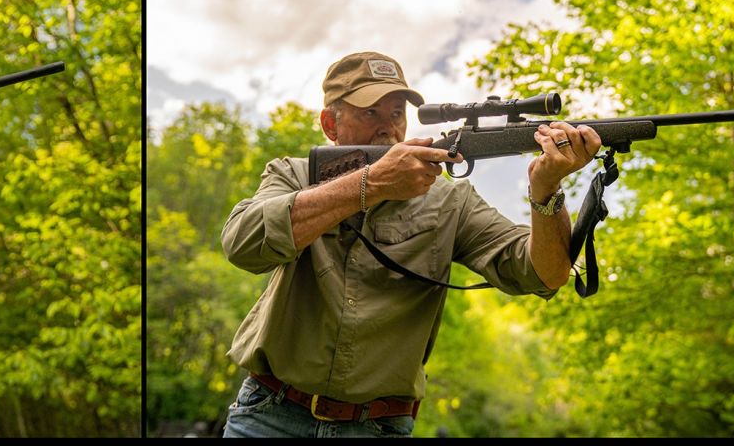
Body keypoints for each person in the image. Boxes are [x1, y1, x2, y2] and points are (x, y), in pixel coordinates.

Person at [220, 52, 602, 437]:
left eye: (397, 113)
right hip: (269, 415)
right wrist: (370, 185)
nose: (388, 127)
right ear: (329, 123)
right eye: (370, 112)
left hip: (378, 427)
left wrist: (546, 188)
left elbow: (546, 274)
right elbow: (243, 243)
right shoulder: (292, 174)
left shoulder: (450, 200)